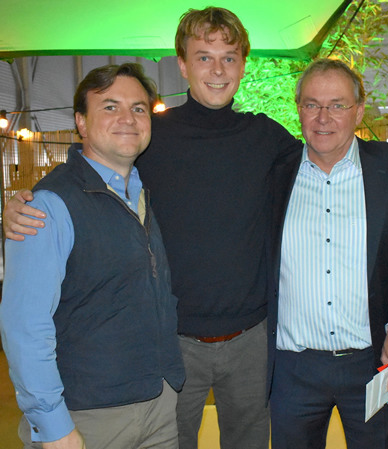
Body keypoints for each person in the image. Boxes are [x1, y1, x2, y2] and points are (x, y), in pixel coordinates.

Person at [2, 7, 301, 449]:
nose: (217, 70)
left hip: (250, 338)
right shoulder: (148, 134)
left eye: (229, 58)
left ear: (243, 65)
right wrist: (25, 201)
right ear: (182, 64)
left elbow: (323, 169)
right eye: (204, 57)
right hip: (172, 343)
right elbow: (89, 171)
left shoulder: (267, 137)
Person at [0, 63, 185, 449]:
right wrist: (53, 425)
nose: (128, 118)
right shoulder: (48, 206)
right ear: (81, 122)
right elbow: (24, 327)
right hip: (88, 416)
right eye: (110, 106)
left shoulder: (142, 191)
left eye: (138, 108)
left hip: (159, 406)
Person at [267, 59, 388, 449]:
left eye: (337, 105)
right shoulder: (274, 173)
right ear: (299, 109)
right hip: (293, 370)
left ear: (359, 111)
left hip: (371, 362)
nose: (323, 117)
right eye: (312, 104)